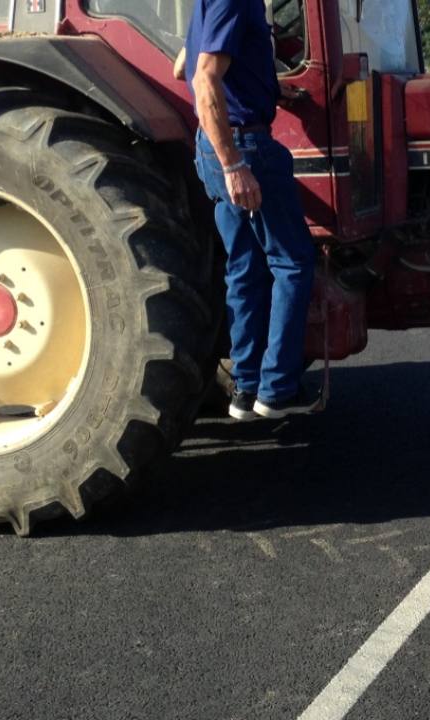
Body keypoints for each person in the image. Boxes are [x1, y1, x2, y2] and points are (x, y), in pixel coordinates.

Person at [174, 0, 320, 421]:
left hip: (215, 143)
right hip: (245, 148)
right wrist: (235, 165)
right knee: (292, 263)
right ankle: (278, 390)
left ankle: (245, 389)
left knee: (243, 268)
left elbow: (181, 67)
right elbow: (203, 78)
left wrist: (268, 87)